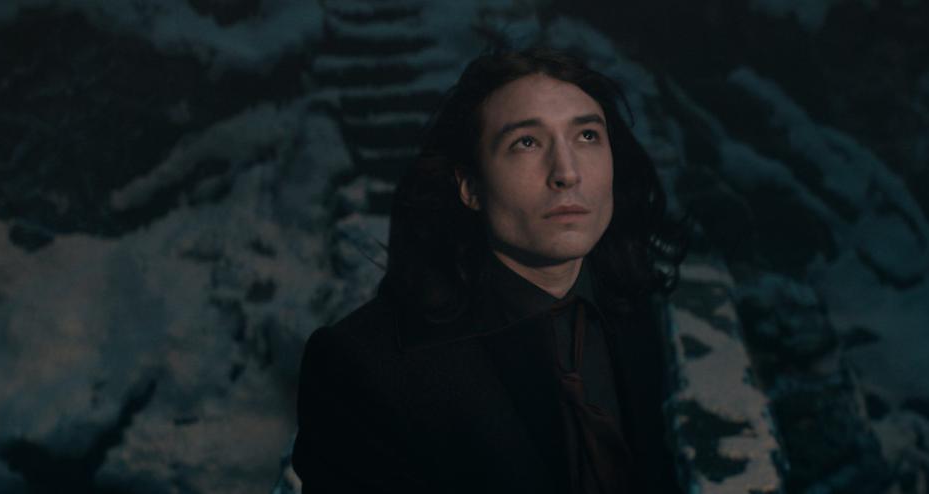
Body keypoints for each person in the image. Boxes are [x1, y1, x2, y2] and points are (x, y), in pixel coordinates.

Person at [291, 47, 688, 493]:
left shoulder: (631, 306)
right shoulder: (365, 368)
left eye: (587, 136)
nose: (567, 173)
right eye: (526, 142)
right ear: (470, 186)